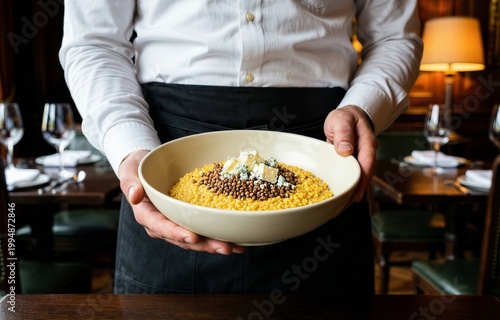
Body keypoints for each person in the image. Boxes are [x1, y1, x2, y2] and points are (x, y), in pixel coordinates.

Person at [59, 0, 422, 308]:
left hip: (323, 154)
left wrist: (362, 109)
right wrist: (130, 146)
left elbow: (395, 37)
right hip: (163, 155)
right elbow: (94, 42)